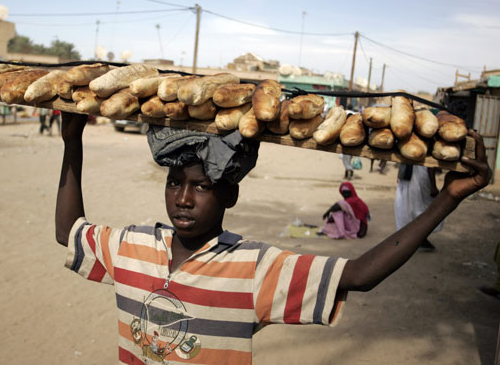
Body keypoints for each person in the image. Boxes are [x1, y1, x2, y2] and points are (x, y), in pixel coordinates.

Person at [55, 112, 490, 364]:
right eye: (174, 184)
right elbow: (68, 232)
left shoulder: (253, 269)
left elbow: (358, 275)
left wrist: (448, 197)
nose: (183, 199)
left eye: (202, 187)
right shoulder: (133, 247)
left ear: (231, 193)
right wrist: (71, 142)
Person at [395, 164, 441, 250]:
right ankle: (418, 238)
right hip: (417, 179)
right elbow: (431, 166)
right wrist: (433, 185)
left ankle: (414, 238)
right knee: (421, 209)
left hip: (410, 177)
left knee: (409, 208)